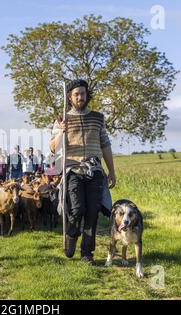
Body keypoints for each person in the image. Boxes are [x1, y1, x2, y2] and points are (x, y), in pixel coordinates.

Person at [50, 79, 116, 266]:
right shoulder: (62, 119)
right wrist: (61, 131)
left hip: (95, 170)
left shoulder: (98, 117)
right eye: (76, 94)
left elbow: (105, 144)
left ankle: (87, 253)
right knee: (77, 208)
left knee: (92, 212)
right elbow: (53, 147)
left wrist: (111, 171)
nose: (80, 97)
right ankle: (71, 235)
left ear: (87, 95)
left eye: (83, 94)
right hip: (73, 169)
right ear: (70, 98)